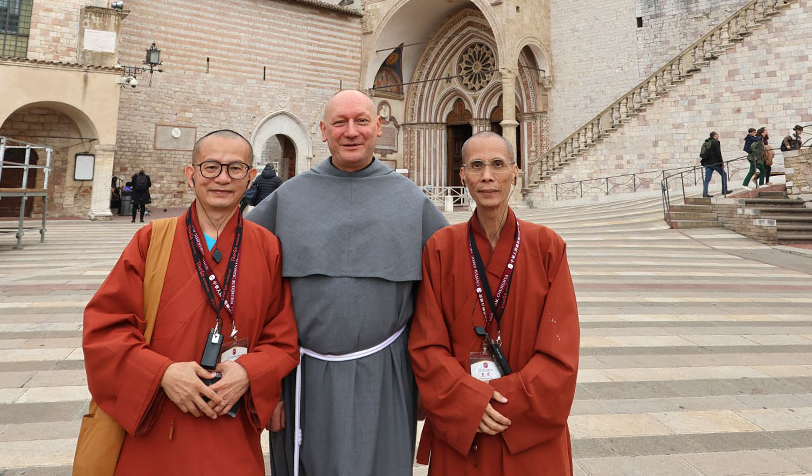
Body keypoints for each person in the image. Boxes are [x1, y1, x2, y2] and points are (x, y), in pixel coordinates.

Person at [248, 90, 449, 476]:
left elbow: (441, 295)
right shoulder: (288, 197)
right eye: (340, 122)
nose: (351, 132)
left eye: (361, 121)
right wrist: (265, 381)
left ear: (378, 126)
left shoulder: (411, 200)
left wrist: (430, 379)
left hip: (388, 374)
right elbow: (251, 286)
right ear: (323, 131)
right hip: (302, 377)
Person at [81, 130, 300, 474]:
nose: (222, 178)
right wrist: (162, 373)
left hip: (232, 430)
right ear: (191, 174)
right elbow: (104, 329)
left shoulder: (267, 247)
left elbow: (283, 339)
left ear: (251, 177)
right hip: (155, 431)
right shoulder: (151, 240)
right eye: (211, 167)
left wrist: (248, 372)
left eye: (235, 169)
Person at [410, 132, 579, 474]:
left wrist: (497, 401)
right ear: (463, 176)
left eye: (498, 165)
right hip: (463, 432)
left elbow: (560, 353)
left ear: (515, 173)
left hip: (527, 433)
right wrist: (468, 401)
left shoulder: (547, 247)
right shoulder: (440, 249)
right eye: (477, 166)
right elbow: (426, 345)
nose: (487, 176)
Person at [699, 131, 729, 198]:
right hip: (714, 163)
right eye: (717, 134)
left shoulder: (707, 142)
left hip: (707, 163)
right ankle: (724, 190)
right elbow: (718, 153)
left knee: (707, 178)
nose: (718, 136)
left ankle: (705, 193)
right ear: (714, 135)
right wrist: (721, 163)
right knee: (724, 174)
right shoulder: (715, 142)